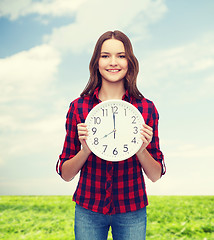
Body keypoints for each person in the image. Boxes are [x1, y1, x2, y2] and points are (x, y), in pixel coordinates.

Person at [56, 30, 166, 240]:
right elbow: (65, 173)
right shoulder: (79, 108)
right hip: (88, 208)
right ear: (96, 61)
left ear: (130, 62)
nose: (113, 62)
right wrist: (86, 150)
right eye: (105, 55)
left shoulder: (146, 109)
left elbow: (155, 175)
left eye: (121, 56)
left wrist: (141, 149)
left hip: (132, 209)